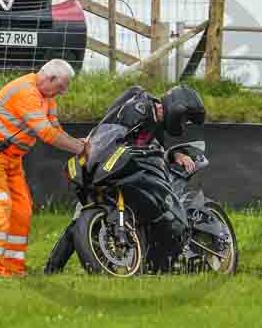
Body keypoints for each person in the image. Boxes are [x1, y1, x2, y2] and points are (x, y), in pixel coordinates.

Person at [44, 84, 206, 274]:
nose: (184, 124)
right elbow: (113, 134)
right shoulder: (141, 106)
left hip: (122, 169)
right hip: (107, 164)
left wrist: (173, 155)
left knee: (80, 218)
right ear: (179, 107)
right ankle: (51, 270)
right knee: (79, 219)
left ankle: (52, 270)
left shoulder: (157, 125)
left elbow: (156, 153)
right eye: (185, 118)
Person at [0, 59, 89, 278]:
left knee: (22, 211)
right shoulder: (26, 92)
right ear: (50, 79)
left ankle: (12, 268)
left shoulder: (47, 97)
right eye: (61, 87)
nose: (62, 92)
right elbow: (47, 134)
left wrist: (76, 142)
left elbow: (55, 128)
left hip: (12, 160)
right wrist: (79, 148)